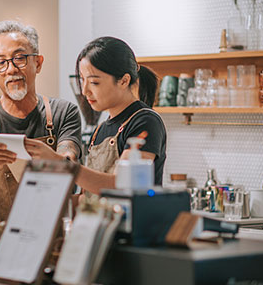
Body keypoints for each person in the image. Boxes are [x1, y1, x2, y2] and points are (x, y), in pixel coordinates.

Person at [0, 20, 82, 224]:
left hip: (53, 232)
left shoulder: (63, 112)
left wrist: (51, 158)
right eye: (0, 62)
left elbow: (69, 161)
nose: (11, 69)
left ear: (38, 63)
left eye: (19, 58)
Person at [25, 36, 166, 194]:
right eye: (82, 80)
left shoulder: (145, 121)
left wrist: (61, 164)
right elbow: (87, 198)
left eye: (94, 82)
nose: (84, 91)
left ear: (124, 81)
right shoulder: (99, 130)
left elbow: (122, 185)